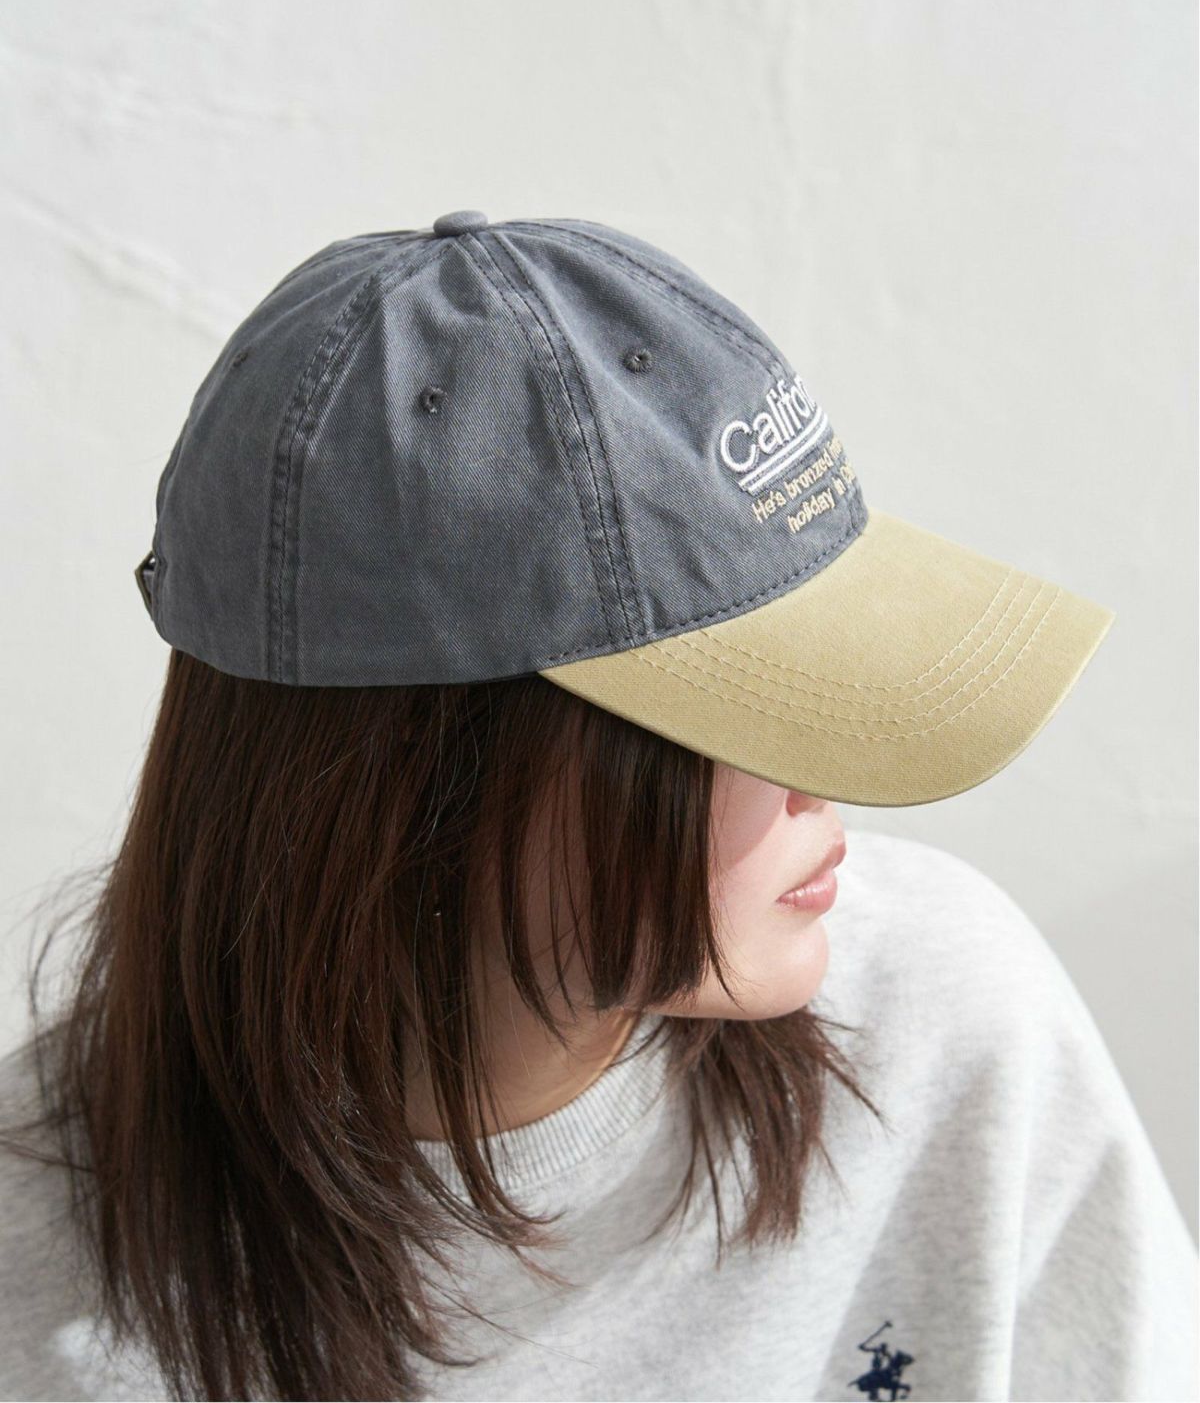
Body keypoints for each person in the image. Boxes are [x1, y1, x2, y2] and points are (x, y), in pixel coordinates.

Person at [0, 213, 1194, 1402]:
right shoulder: (42, 1295)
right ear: (425, 778)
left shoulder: (947, 1020)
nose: (818, 785)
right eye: (747, 706)